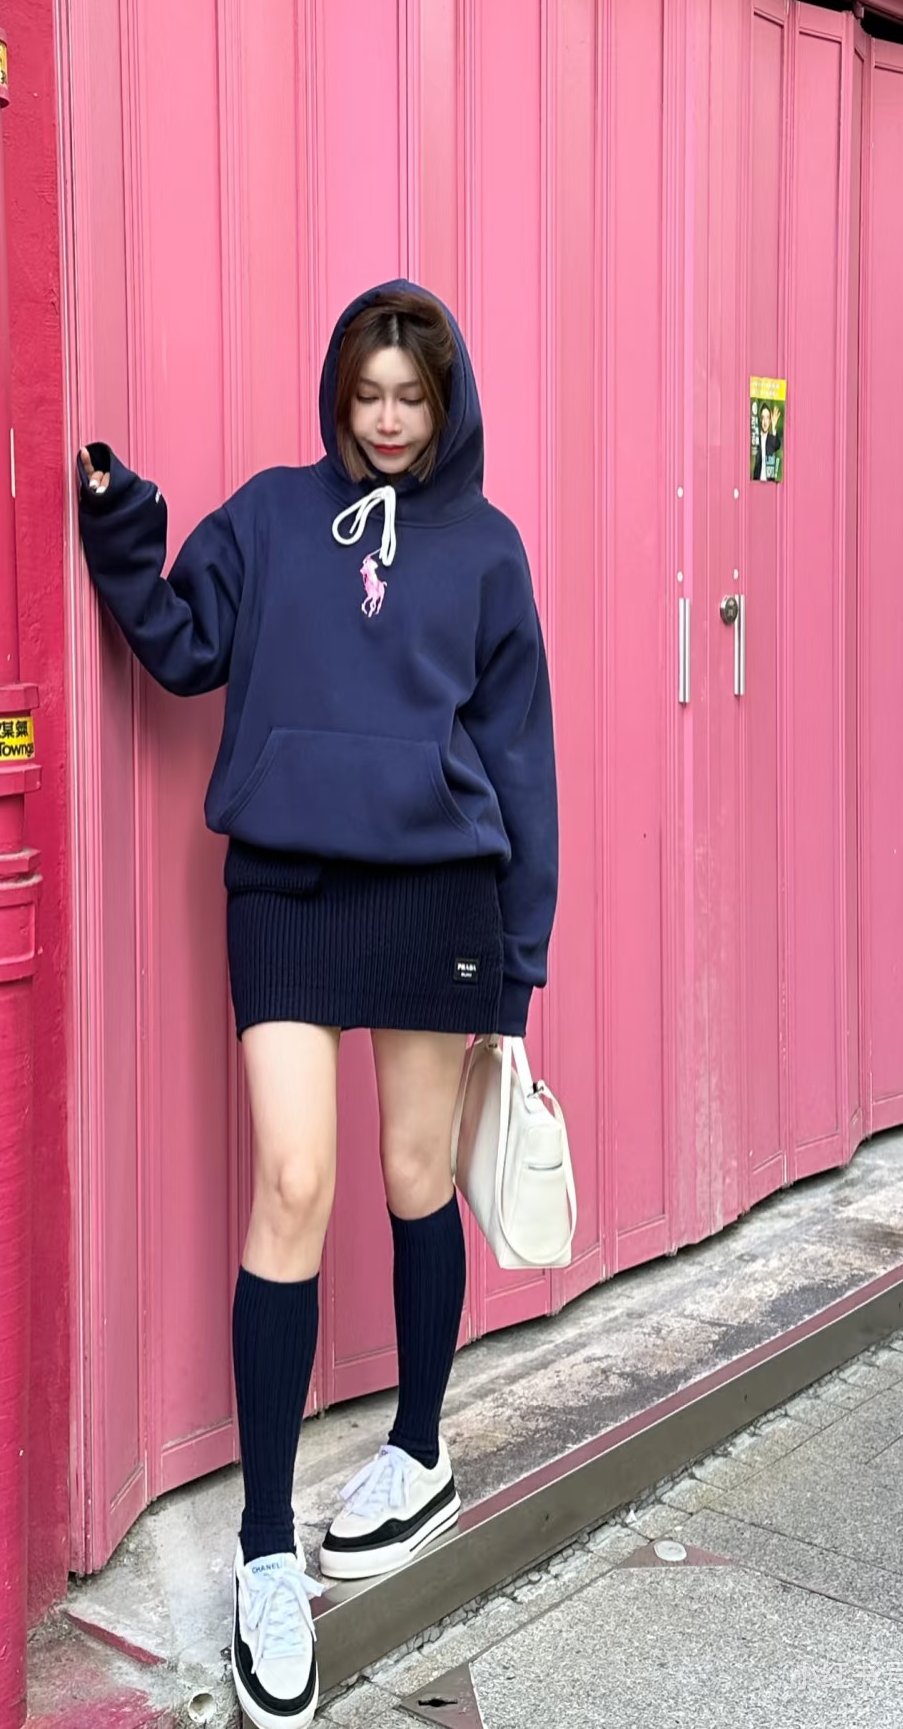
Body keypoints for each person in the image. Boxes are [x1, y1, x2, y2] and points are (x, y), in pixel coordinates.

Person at [77, 282, 558, 1729]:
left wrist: (519, 957)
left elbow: (520, 756)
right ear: (339, 395)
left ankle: (419, 1448)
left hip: (437, 893)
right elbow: (183, 646)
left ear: (446, 403)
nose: (390, 420)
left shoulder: (488, 550)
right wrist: (120, 522)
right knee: (294, 1180)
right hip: (286, 885)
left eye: (414, 396)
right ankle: (267, 1552)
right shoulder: (275, 518)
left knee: (417, 1174)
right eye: (369, 394)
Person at [752, 400, 782, 482]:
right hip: (756, 480)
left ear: (770, 420)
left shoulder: (771, 439)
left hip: (769, 481)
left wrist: (774, 427)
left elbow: (777, 445)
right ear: (760, 419)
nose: (765, 422)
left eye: (767, 417)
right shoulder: (755, 438)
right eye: (763, 417)